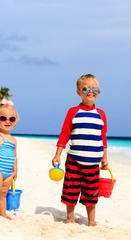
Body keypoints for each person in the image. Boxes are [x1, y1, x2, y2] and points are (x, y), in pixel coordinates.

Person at [52, 74, 108, 226]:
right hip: (74, 161)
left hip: (93, 163)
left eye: (94, 89)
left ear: (99, 92)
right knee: (71, 190)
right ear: (78, 92)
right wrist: (58, 154)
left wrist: (104, 158)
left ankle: (91, 221)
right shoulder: (72, 112)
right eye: (86, 89)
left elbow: (103, 138)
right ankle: (70, 217)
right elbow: (64, 134)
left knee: (91, 193)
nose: (91, 92)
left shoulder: (101, 115)